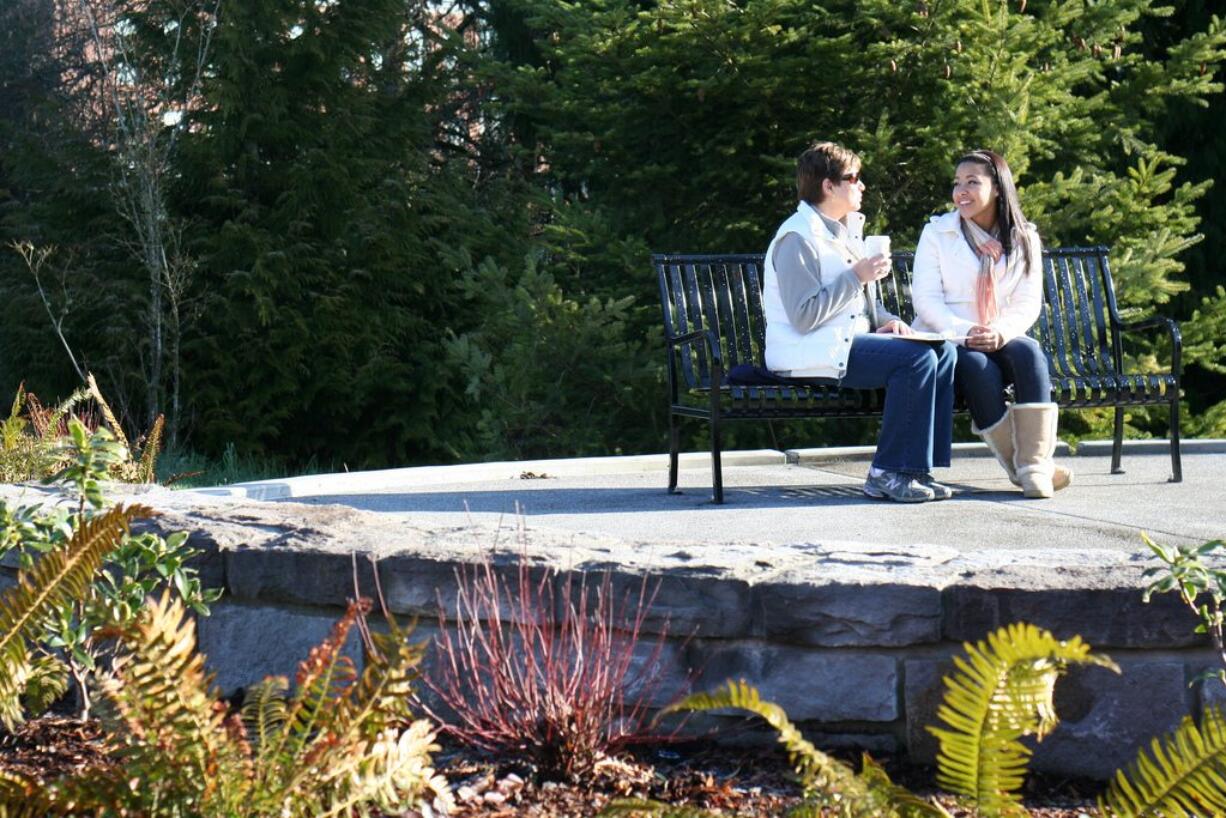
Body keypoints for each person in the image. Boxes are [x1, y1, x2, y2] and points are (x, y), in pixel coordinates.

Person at [764, 141, 956, 503]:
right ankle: (886, 472)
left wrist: (888, 321)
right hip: (807, 351)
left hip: (843, 343)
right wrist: (857, 275)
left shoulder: (840, 231)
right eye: (854, 177)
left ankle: (915, 469)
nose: (862, 185)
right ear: (828, 185)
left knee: (941, 351)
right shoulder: (797, 238)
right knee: (914, 359)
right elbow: (804, 316)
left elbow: (858, 303)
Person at [911, 149, 1072, 498]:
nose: (961, 191)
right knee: (978, 368)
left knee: (1030, 355)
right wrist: (964, 332)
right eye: (957, 183)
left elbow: (1027, 302)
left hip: (1001, 330)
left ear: (998, 188)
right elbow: (925, 300)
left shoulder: (1023, 237)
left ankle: (1032, 463)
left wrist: (1000, 331)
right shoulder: (937, 233)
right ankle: (1030, 470)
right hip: (951, 336)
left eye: (972, 182)